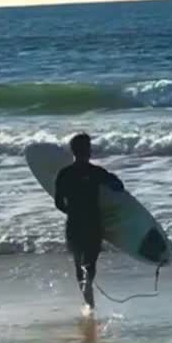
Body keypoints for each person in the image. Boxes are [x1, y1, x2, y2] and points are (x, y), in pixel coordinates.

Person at [54, 133, 123, 313]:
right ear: (89, 151)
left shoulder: (64, 174)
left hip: (74, 224)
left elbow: (58, 203)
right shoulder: (97, 172)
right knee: (90, 264)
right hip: (94, 224)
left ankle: (88, 301)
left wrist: (73, 212)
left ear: (72, 151)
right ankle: (89, 293)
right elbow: (118, 186)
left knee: (79, 264)